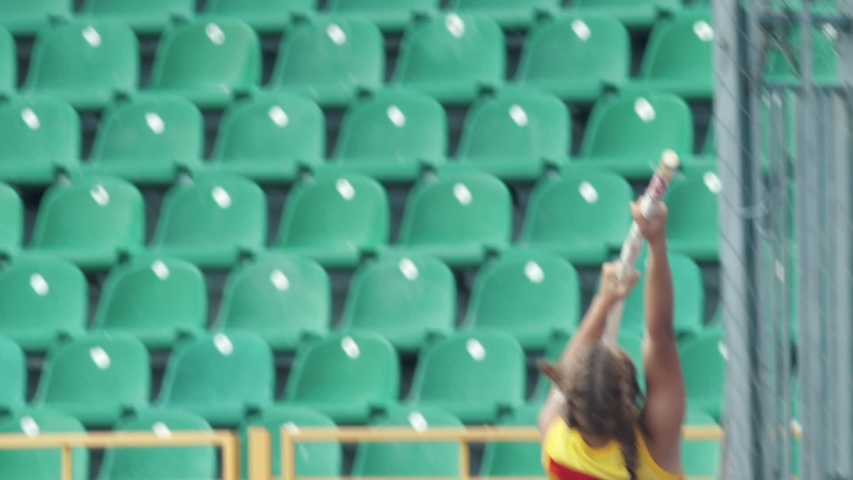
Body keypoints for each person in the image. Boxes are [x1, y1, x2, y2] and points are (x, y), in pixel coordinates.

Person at [538, 200, 685, 480]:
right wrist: (657, 243)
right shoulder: (655, 447)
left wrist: (603, 303)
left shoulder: (555, 442)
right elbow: (661, 335)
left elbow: (563, 378)